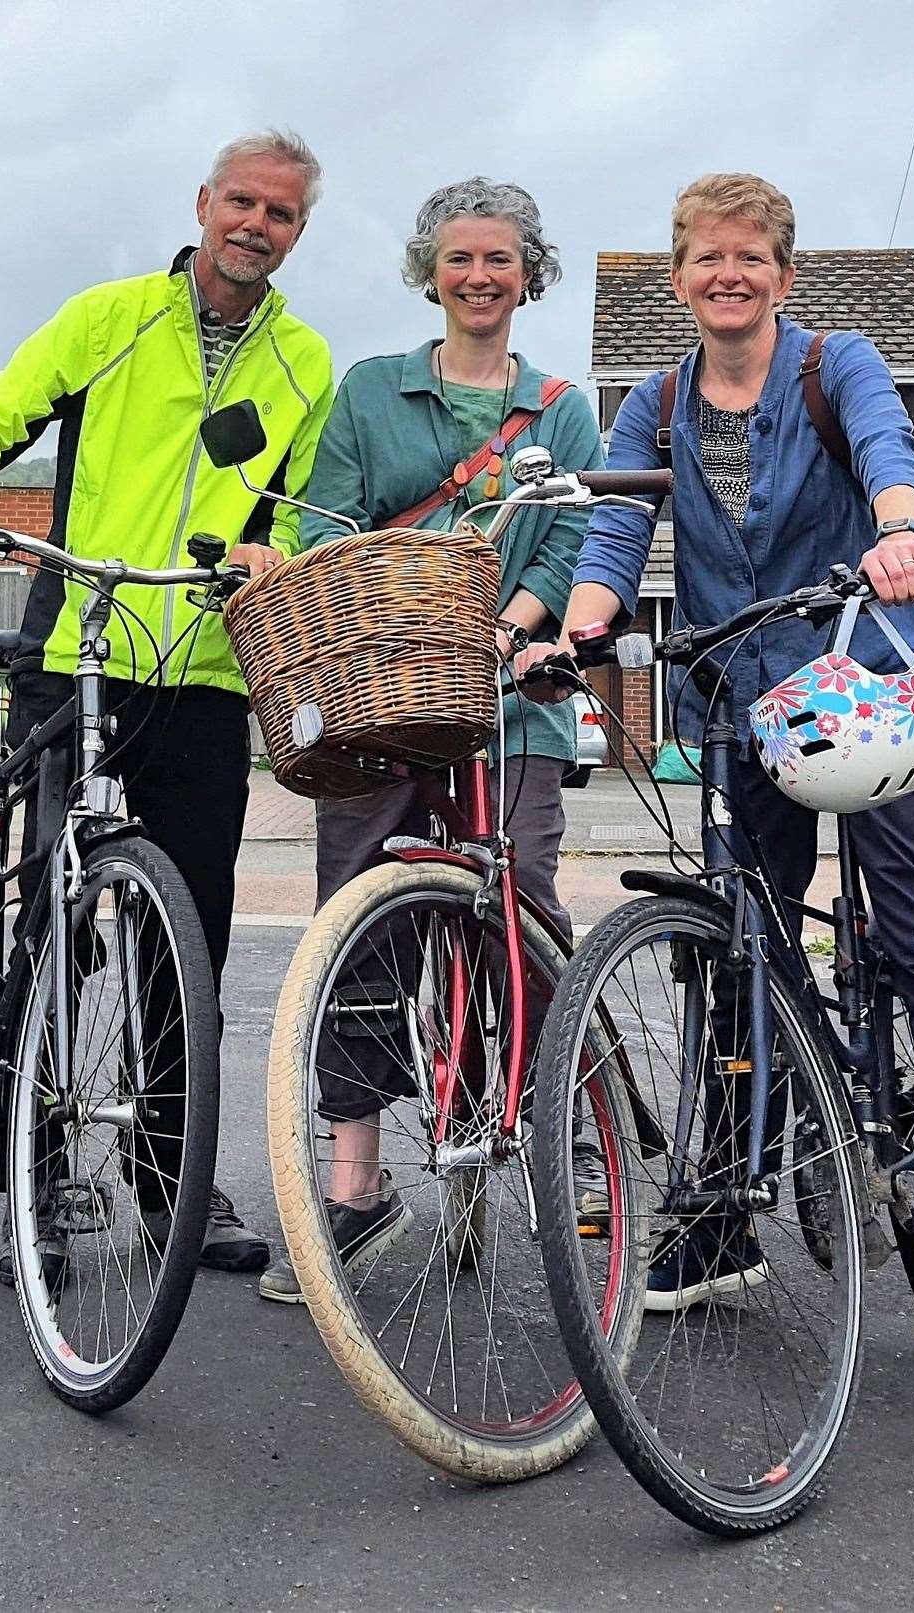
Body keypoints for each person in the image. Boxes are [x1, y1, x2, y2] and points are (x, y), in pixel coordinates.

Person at [521, 172, 914, 1336]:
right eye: (706, 257)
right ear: (677, 278)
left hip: (867, 683)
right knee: (735, 949)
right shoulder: (653, 405)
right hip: (741, 706)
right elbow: (614, 532)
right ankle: (725, 1208)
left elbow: (886, 449)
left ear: (782, 274)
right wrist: (580, 625)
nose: (726, 274)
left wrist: (899, 528)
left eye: (748, 256)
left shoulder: (831, 362)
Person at [0, 128, 335, 1284]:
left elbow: (290, 506)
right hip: (78, 649)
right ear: (202, 201)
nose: (255, 225)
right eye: (241, 201)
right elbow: (0, 409)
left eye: (280, 213)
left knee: (191, 942)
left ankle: (171, 1173)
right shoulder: (111, 316)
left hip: (204, 670)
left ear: (298, 231)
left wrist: (266, 555)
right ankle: (31, 1170)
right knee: (58, 922)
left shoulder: (303, 362)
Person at [257, 177, 604, 1304]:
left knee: (527, 908)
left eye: (498, 259)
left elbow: (561, 545)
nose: (477, 277)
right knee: (356, 912)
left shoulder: (561, 406)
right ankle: (354, 1178)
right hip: (381, 694)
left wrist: (503, 632)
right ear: (430, 272)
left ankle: (562, 1134)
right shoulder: (369, 392)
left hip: (512, 696)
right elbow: (327, 527)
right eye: (458, 259)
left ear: (526, 272)